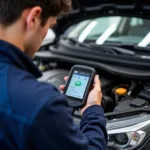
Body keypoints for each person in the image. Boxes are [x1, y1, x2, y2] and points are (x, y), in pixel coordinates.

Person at [0, 0, 107, 150]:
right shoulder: (39, 103)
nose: (45, 35)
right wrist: (93, 109)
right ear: (34, 18)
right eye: (50, 26)